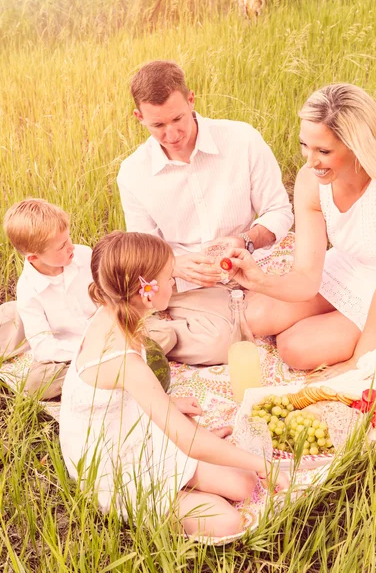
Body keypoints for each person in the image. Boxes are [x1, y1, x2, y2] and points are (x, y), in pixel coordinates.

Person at [59, 231, 289, 538]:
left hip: (124, 428)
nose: (174, 283)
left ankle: (184, 474)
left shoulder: (120, 308)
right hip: (109, 467)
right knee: (227, 521)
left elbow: (114, 394)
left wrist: (166, 406)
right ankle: (159, 503)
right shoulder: (122, 358)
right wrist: (263, 464)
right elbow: (188, 439)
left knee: (243, 483)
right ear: (147, 291)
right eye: (170, 277)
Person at [117, 60, 293, 365]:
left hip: (256, 264)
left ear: (191, 100)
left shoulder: (242, 139)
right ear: (139, 117)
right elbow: (145, 249)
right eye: (158, 125)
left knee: (316, 296)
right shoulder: (132, 173)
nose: (172, 134)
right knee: (220, 344)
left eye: (178, 119)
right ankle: (164, 333)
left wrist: (244, 241)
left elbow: (279, 211)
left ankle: (233, 322)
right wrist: (176, 265)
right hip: (191, 284)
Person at [227, 83, 376, 374]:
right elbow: (306, 278)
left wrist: (358, 362)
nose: (310, 162)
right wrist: (257, 280)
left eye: (323, 150)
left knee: (296, 349)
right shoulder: (312, 179)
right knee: (254, 316)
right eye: (304, 145)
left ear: (357, 146)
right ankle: (336, 319)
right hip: (352, 264)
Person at [1, 199, 96, 398]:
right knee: (37, 383)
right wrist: (86, 349)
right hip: (68, 354)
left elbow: (106, 296)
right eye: (61, 246)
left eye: (68, 239)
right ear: (33, 257)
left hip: (105, 333)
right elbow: (44, 347)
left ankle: (98, 374)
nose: (71, 247)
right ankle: (99, 374)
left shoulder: (84, 255)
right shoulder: (29, 290)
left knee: (162, 335)